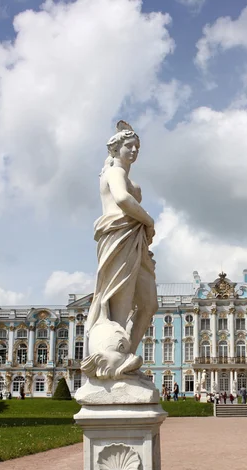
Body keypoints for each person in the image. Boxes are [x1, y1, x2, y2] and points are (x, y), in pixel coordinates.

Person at [82, 120, 157, 380]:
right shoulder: (114, 172)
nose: (135, 151)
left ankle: (125, 359)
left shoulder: (125, 175)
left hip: (136, 241)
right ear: (115, 149)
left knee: (149, 304)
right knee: (119, 306)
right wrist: (149, 220)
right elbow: (124, 200)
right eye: (130, 146)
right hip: (119, 237)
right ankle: (115, 364)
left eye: (137, 147)